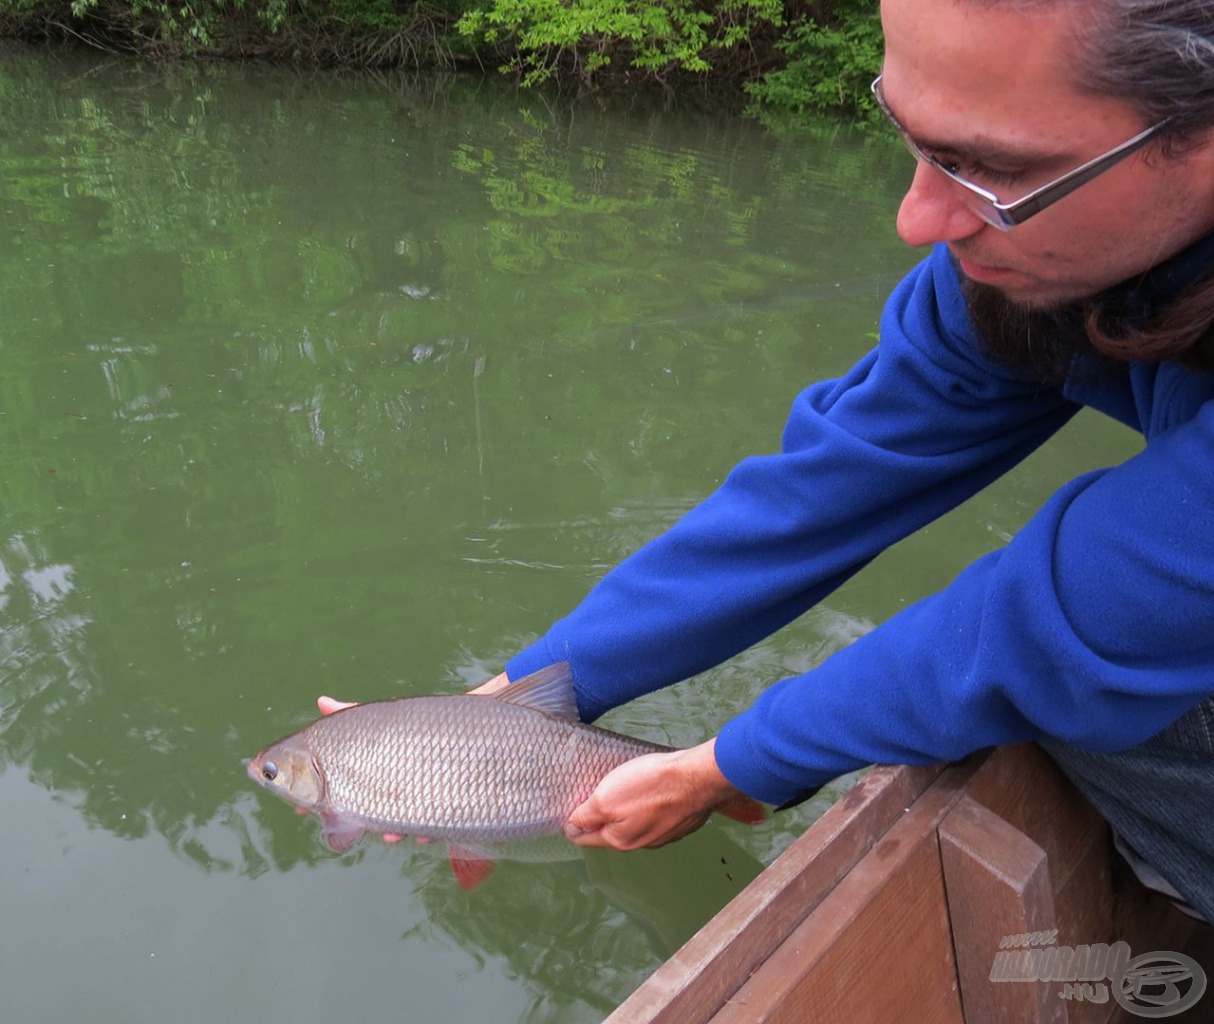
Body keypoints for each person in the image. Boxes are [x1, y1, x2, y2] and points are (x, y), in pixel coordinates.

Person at [334, 0, 1214, 919]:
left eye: (994, 166)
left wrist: (731, 764)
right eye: (915, 139)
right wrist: (525, 695)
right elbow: (833, 484)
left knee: (1088, 705)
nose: (918, 218)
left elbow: (1063, 619)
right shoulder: (1025, 260)